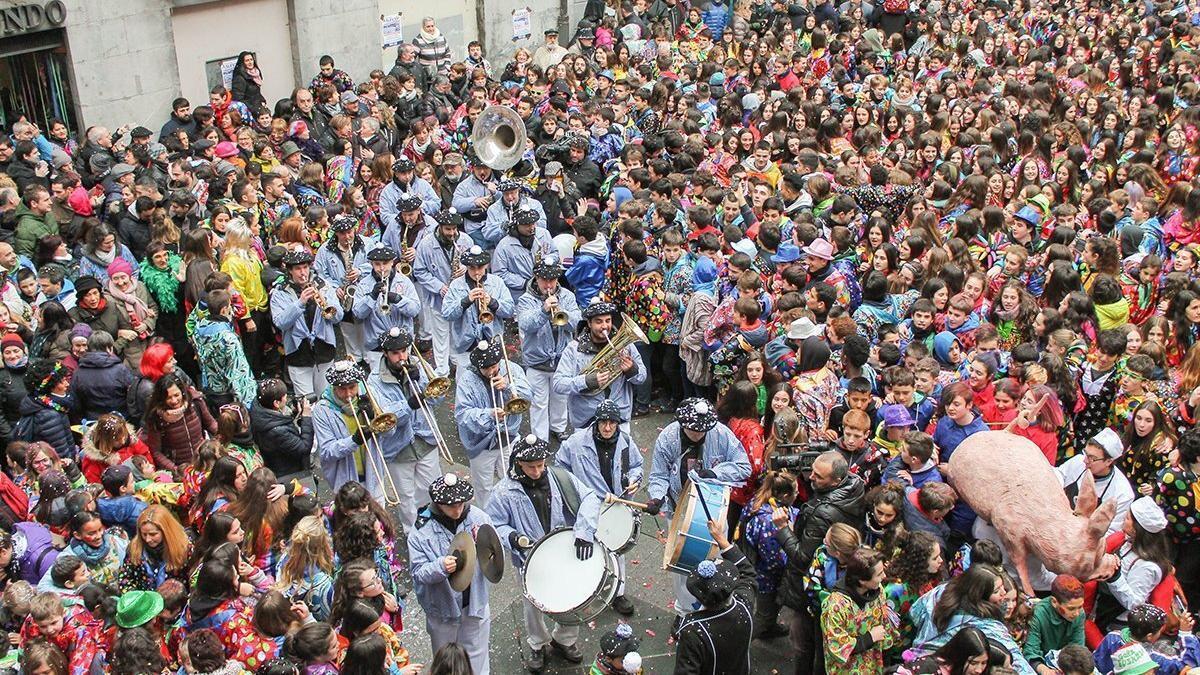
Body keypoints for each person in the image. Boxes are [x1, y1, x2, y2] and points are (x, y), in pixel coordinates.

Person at [486, 434, 601, 673]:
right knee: (533, 604)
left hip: (562, 550)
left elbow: (590, 497)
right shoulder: (503, 492)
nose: (538, 471)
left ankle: (565, 640)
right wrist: (512, 537)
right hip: (529, 559)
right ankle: (537, 643)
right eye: (531, 467)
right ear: (519, 463)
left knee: (572, 597)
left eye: (541, 465)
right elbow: (494, 524)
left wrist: (583, 532)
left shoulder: (559, 477)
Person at [554, 398, 643, 615]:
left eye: (612, 423)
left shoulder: (626, 442)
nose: (607, 427)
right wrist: (574, 491)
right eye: (603, 422)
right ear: (596, 422)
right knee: (585, 546)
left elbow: (636, 465)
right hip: (587, 505)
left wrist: (633, 479)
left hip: (616, 504)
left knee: (617, 548)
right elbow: (560, 468)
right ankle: (586, 590)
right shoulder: (575, 443)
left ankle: (618, 593)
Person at [407, 472, 494, 675]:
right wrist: (440, 567)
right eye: (451, 506)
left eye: (460, 504)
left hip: (474, 602)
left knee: (478, 658)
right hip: (443, 609)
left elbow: (493, 548)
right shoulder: (421, 531)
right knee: (446, 661)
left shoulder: (479, 517)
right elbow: (419, 573)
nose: (457, 510)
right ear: (438, 504)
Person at [368, 327, 444, 528]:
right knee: (407, 499)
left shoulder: (418, 364)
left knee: (432, 490)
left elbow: (439, 397)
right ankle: (413, 535)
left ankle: (435, 529)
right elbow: (386, 418)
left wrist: (420, 380)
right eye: (395, 353)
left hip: (425, 440)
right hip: (399, 448)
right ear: (385, 353)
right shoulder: (374, 381)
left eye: (404, 350)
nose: (402, 357)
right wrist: (409, 405)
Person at [453, 338, 531, 507]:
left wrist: (509, 386)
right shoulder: (467, 380)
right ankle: (487, 525)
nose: (491, 371)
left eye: (494, 366)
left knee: (512, 482)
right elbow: (462, 414)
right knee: (484, 489)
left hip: (509, 436)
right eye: (486, 368)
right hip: (481, 443)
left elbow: (528, 395)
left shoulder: (511, 369)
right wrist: (489, 415)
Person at [673, 519, 756, 675]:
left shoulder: (693, 629)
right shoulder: (744, 604)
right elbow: (748, 572)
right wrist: (721, 539)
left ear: (698, 597)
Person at [553, 300, 648, 431]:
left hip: (619, 418)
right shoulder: (573, 349)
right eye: (599, 321)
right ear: (589, 323)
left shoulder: (626, 345)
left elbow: (642, 377)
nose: (605, 326)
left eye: (608, 321)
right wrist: (586, 381)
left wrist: (632, 369)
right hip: (586, 420)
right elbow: (558, 384)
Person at [516, 254, 580, 442]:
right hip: (537, 361)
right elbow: (526, 325)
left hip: (561, 359)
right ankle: (540, 438)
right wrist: (543, 311)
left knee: (561, 397)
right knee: (538, 402)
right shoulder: (526, 300)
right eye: (544, 280)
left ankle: (558, 428)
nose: (549, 285)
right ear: (537, 278)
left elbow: (577, 323)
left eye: (552, 280)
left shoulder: (567, 296)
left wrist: (563, 313)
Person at [311, 360, 389, 500]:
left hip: (374, 475)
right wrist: (354, 440)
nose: (348, 394)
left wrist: (373, 417)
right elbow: (327, 452)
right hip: (346, 484)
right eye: (342, 389)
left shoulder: (371, 395)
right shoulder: (321, 410)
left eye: (352, 387)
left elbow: (390, 432)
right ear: (333, 387)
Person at [270, 249, 341, 397]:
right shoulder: (279, 292)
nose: (303, 272)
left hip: (324, 349)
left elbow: (338, 316)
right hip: (299, 354)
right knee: (307, 401)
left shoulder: (323, 286)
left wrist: (326, 304)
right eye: (298, 269)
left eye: (305, 267)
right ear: (290, 271)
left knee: (326, 397)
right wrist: (300, 303)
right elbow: (280, 323)